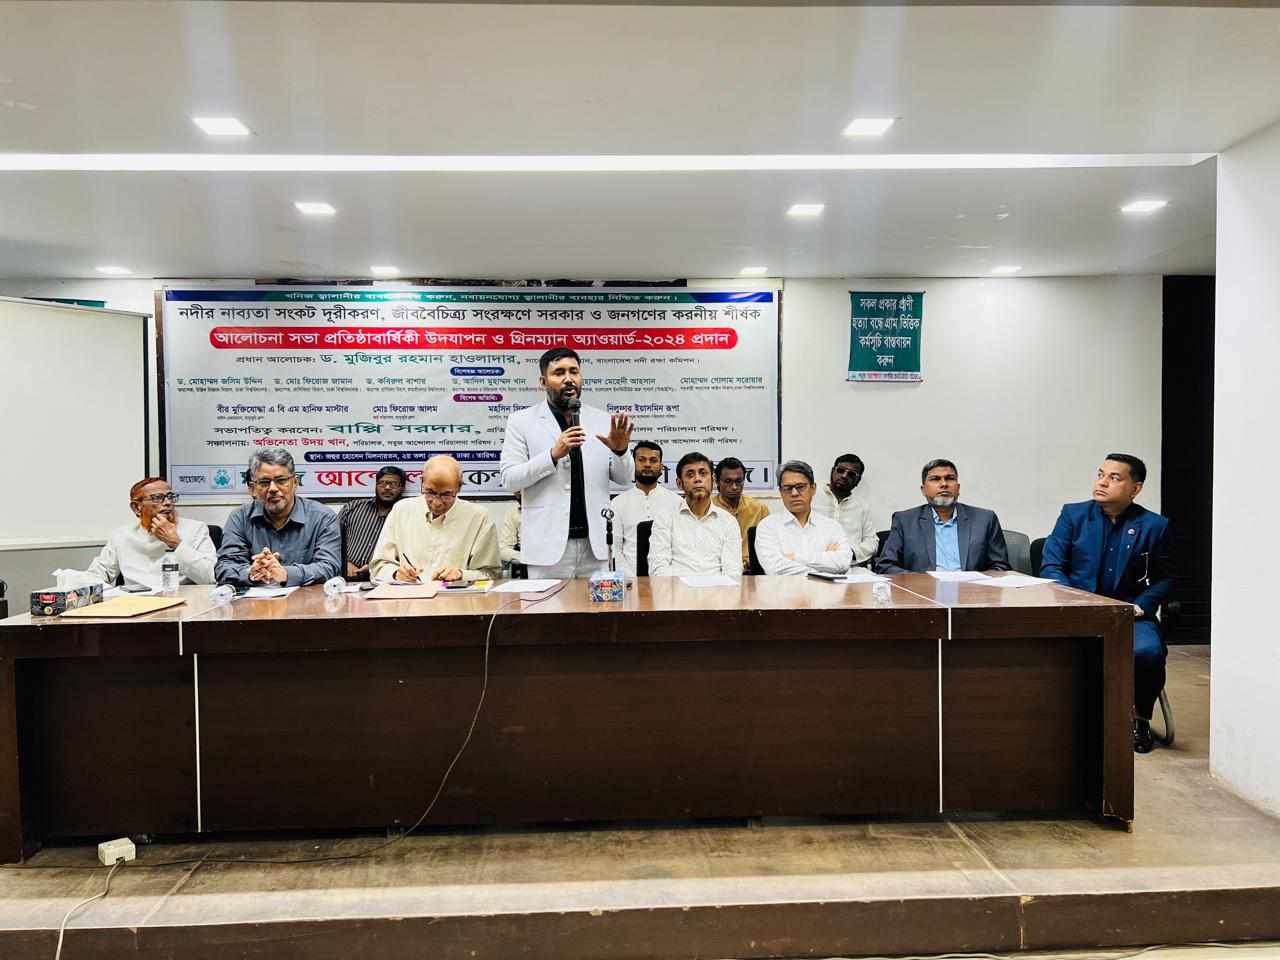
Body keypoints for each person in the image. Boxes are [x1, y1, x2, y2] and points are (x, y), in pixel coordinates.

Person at [1039, 454, 1173, 753]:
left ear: (1135, 489)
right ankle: (1061, 720)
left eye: (1114, 478)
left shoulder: (1155, 525)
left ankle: (1139, 720)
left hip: (1130, 613)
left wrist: (1141, 606)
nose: (1102, 482)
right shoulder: (1073, 515)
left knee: (1148, 652)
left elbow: (1166, 578)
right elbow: (1052, 566)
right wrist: (1078, 603)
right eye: (1100, 474)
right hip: (1077, 610)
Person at [500, 347, 634, 578]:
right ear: (543, 381)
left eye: (574, 371)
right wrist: (552, 455)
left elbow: (624, 479)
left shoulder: (602, 420)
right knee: (546, 604)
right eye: (559, 373)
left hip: (595, 546)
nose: (568, 379)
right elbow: (510, 479)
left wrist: (621, 451)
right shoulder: (521, 421)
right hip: (546, 547)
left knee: (596, 603)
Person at [215, 448, 342, 587]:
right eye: (264, 482)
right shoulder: (239, 518)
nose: (273, 488)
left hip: (308, 598)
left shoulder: (323, 518)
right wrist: (250, 573)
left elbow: (330, 567)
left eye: (281, 480)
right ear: (253, 488)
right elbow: (224, 567)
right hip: (256, 599)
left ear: (295, 482)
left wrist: (286, 574)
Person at [369, 455, 500, 583]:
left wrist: (461, 574)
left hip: (456, 595)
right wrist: (395, 573)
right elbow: (378, 567)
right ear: (422, 482)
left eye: (446, 495)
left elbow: (491, 573)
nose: (437, 503)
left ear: (459, 487)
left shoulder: (478, 517)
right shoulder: (402, 510)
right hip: (410, 595)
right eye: (430, 492)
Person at [876, 459, 1010, 574]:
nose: (944, 484)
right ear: (923, 490)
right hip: (924, 593)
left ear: (958, 488)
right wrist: (922, 582)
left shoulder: (985, 519)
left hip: (971, 592)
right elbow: (886, 566)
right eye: (935, 479)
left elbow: (1000, 566)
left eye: (950, 478)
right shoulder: (905, 521)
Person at [81, 477, 216, 588]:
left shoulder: (196, 529)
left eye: (170, 497)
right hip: (137, 604)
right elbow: (95, 576)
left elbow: (211, 577)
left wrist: (175, 543)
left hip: (183, 602)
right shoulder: (122, 535)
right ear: (136, 507)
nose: (168, 502)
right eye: (157, 498)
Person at [648, 452, 741, 577]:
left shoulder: (728, 522)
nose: (697, 479)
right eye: (690, 474)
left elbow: (733, 572)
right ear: (680, 484)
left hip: (717, 588)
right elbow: (658, 569)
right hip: (675, 588)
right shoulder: (665, 518)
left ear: (713, 480)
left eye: (703, 473)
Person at [755, 460, 852, 576]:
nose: (794, 493)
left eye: (800, 487)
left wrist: (796, 557)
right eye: (788, 488)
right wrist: (825, 571)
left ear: (813, 488)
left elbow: (843, 563)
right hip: (786, 588)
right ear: (781, 492)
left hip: (826, 588)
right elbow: (775, 569)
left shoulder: (831, 526)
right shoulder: (768, 526)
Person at [611, 440, 682, 575]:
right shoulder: (618, 503)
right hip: (630, 578)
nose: (648, 464)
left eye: (653, 460)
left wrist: (665, 578)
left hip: (667, 578)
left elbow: (679, 548)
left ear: (661, 467)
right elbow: (615, 549)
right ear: (633, 464)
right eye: (642, 460)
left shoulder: (677, 502)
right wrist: (631, 579)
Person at [336, 466, 407, 580]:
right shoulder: (352, 508)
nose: (387, 488)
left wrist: (374, 567)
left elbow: (410, 552)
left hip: (385, 580)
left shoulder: (406, 515)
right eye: (382, 483)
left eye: (393, 484)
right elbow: (331, 540)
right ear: (376, 485)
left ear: (402, 488)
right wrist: (344, 562)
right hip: (345, 577)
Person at [812, 454, 880, 566]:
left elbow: (872, 542)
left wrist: (851, 553)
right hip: (814, 565)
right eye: (840, 470)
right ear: (832, 472)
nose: (844, 476)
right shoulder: (811, 498)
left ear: (858, 481)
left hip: (850, 568)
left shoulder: (862, 507)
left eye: (851, 474)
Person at [711, 456, 771, 573]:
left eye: (738, 481)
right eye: (728, 481)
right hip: (719, 571)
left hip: (753, 571)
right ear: (717, 482)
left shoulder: (759, 509)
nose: (734, 487)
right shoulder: (709, 508)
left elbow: (769, 545)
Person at [499, 495, 523, 569]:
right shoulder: (513, 513)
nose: (517, 494)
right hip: (526, 564)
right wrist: (526, 558)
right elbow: (503, 550)